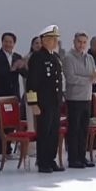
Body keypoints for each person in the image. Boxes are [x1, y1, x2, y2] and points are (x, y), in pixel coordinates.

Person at [27, 25, 66, 173]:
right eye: (51, 39)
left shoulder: (54, 57)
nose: (55, 42)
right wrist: (33, 103)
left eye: (56, 39)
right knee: (44, 132)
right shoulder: (38, 57)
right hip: (43, 102)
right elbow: (31, 82)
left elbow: (58, 80)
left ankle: (51, 159)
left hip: (54, 102)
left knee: (53, 132)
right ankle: (42, 162)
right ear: (43, 40)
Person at [62, 32, 96, 168]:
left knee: (84, 129)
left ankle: (82, 156)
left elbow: (95, 74)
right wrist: (89, 79)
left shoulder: (89, 57)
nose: (81, 45)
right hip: (74, 98)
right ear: (74, 41)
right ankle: (73, 159)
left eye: (84, 42)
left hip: (87, 97)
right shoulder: (68, 57)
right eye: (79, 41)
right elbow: (71, 78)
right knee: (74, 129)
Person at [0, 32, 26, 159]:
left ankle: (8, 150)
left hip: (13, 95)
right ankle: (0, 151)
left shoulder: (17, 56)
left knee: (10, 123)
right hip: (0, 95)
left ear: (14, 44)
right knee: (0, 123)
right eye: (6, 41)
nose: (8, 44)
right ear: (2, 42)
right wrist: (12, 69)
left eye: (10, 42)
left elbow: (24, 74)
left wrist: (23, 66)